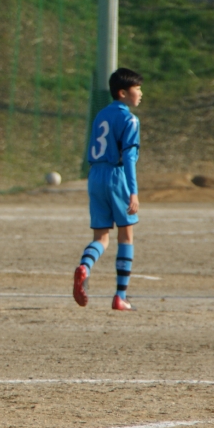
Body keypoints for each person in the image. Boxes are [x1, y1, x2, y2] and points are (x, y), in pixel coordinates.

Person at [72, 68, 143, 312]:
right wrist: (133, 192)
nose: (140, 93)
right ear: (123, 93)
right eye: (137, 89)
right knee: (126, 235)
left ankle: (84, 266)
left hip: (95, 176)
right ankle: (120, 296)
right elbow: (129, 158)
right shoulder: (130, 120)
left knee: (101, 237)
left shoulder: (100, 115)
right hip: (116, 175)